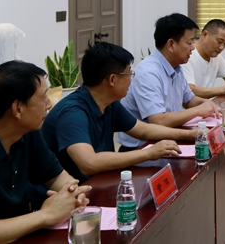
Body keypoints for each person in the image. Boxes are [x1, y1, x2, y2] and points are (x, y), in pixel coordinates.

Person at [42, 42, 198, 180]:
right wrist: (148, 153)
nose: (131, 79)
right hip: (67, 193)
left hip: (99, 180)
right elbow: (89, 163)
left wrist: (187, 135)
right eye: (129, 73)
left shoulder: (110, 104)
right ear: (112, 79)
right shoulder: (73, 113)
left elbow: (143, 130)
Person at [0, 61, 91, 244]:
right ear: (18, 108)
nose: (49, 104)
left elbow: (55, 176)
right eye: (43, 97)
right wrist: (45, 215)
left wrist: (73, 194)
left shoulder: (26, 131)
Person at [118, 13, 220, 150]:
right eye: (189, 42)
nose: (193, 47)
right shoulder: (148, 73)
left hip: (167, 141)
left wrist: (207, 104)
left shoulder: (176, 66)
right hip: (141, 149)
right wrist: (198, 111)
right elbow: (158, 121)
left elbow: (188, 100)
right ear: (171, 45)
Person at [182, 19, 225, 98]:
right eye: (219, 41)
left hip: (207, 104)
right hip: (192, 105)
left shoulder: (216, 58)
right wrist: (223, 89)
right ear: (205, 34)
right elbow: (189, 91)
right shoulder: (187, 56)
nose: (221, 47)